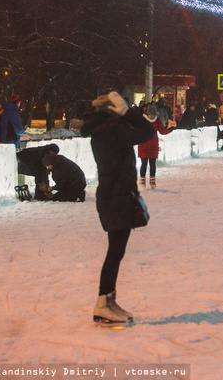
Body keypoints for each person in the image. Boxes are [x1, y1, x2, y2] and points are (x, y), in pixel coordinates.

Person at [81, 91, 156, 325]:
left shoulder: (105, 132)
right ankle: (103, 304)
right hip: (115, 198)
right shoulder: (111, 133)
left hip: (115, 197)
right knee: (114, 253)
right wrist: (129, 112)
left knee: (116, 252)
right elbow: (147, 131)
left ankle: (108, 301)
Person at [137, 104, 175, 190]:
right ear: (147, 114)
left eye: (153, 115)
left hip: (153, 145)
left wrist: (170, 129)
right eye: (150, 115)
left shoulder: (157, 121)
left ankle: (152, 181)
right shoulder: (142, 120)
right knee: (144, 164)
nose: (152, 116)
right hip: (144, 145)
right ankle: (142, 182)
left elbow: (162, 131)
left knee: (153, 165)